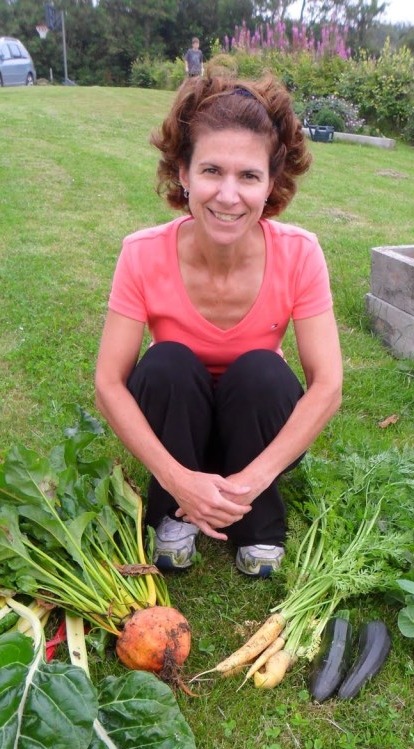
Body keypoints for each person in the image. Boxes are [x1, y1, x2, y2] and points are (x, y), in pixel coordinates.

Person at [94, 73, 343, 578]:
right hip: (176, 424)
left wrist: (253, 479)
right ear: (182, 172)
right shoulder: (141, 253)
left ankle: (257, 517)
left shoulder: (300, 254)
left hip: (250, 424)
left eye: (249, 176)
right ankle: (174, 507)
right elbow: (108, 383)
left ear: (272, 183)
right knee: (165, 363)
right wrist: (176, 476)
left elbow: (328, 386)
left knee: (263, 374)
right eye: (211, 170)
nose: (228, 196)